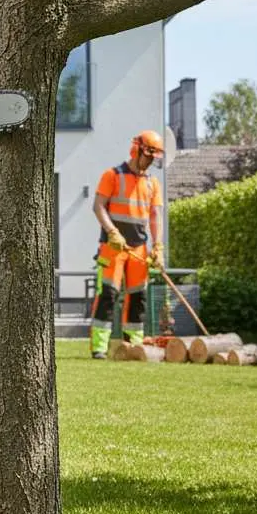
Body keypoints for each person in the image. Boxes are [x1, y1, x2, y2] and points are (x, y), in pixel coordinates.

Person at [88, 130, 165, 359]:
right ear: (137, 150)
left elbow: (155, 216)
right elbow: (98, 206)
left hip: (139, 248)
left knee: (138, 297)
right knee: (108, 295)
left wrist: (158, 247)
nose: (150, 161)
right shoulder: (112, 175)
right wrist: (112, 232)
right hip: (112, 247)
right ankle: (99, 347)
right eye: (148, 156)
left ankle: (134, 346)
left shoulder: (153, 183)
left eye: (154, 158)